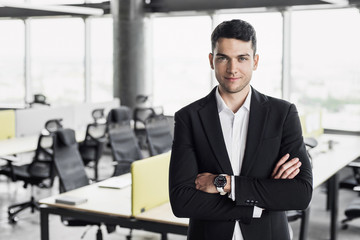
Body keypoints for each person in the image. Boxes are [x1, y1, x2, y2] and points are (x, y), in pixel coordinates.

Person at [169, 19, 313, 240]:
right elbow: (182, 201)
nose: (232, 69)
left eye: (242, 58)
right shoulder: (189, 118)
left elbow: (300, 194)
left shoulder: (282, 114)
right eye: (223, 58)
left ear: (255, 61)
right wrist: (257, 204)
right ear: (211, 60)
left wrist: (225, 184)